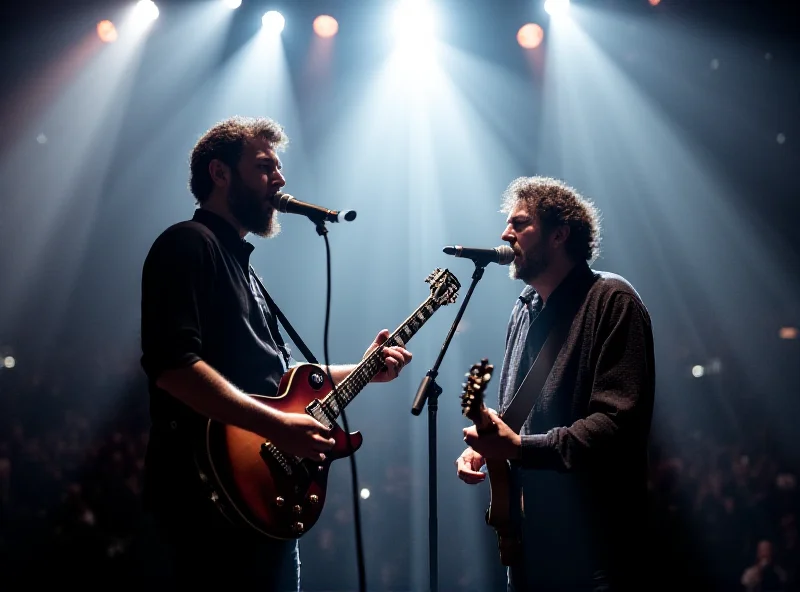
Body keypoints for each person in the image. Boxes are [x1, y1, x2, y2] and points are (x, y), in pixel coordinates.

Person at [140, 116, 412, 589]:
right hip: (205, 505)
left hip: (257, 501)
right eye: (265, 166)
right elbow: (172, 366)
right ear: (220, 173)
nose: (281, 180)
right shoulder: (186, 244)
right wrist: (276, 425)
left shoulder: (247, 271)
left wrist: (366, 369)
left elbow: (280, 380)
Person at [455, 177, 655, 591]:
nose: (504, 234)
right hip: (531, 540)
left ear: (560, 234)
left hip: (596, 547)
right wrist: (488, 447)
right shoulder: (523, 310)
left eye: (520, 224)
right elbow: (518, 418)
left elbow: (617, 426)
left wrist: (521, 448)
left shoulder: (613, 301)